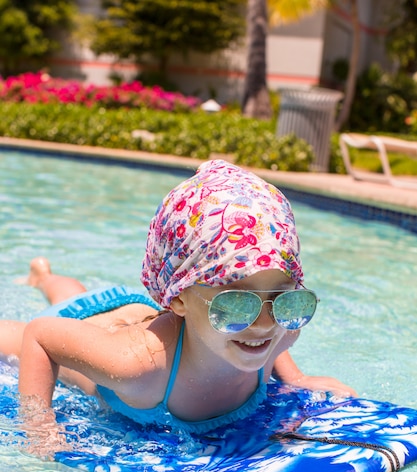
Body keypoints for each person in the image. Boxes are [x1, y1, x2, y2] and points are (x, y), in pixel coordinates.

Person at [0, 160, 355, 437]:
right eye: (235, 304)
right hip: (95, 326)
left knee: (73, 290)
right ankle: (44, 276)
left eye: (286, 302)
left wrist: (296, 378)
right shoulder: (137, 367)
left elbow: (271, 336)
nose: (265, 325)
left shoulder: (275, 329)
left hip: (146, 314)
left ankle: (44, 275)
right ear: (179, 298)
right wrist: (39, 428)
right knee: (37, 321)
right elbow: (41, 335)